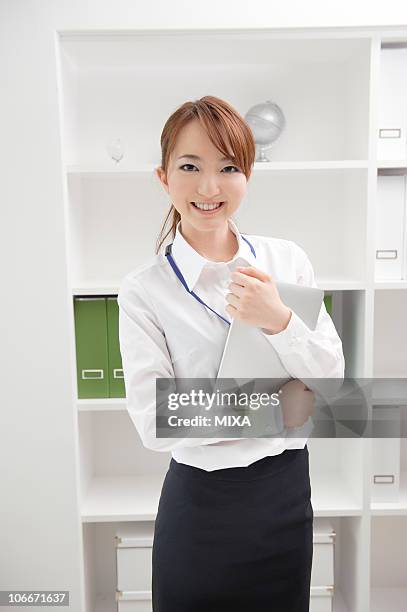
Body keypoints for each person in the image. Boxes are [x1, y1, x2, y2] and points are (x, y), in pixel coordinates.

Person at [117, 95, 345, 612]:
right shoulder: (143, 290)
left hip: (284, 495)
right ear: (163, 176)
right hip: (201, 503)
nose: (209, 187)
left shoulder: (286, 260)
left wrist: (278, 319)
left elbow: (330, 380)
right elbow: (156, 420)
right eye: (190, 167)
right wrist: (280, 408)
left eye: (228, 168)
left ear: (248, 175)